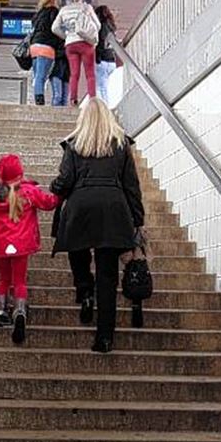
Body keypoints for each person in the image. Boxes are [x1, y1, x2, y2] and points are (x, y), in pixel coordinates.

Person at [50, 98, 144, 353]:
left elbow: (65, 180)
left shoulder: (74, 144)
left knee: (77, 249)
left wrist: (53, 187)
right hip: (113, 210)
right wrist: (137, 220)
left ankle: (84, 290)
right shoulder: (121, 144)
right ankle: (104, 337)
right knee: (108, 274)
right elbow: (131, 186)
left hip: (81, 207)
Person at [0, 154, 60, 344]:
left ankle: (0, 311)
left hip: (1, 244)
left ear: (1, 175)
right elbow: (50, 203)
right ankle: (20, 310)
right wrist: (61, 193)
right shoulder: (30, 192)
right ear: (20, 171)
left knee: (4, 279)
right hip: (21, 245)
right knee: (19, 280)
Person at [51, 0, 100, 105]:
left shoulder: (63, 10)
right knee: (90, 74)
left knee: (74, 73)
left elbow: (54, 28)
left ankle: (73, 99)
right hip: (86, 43)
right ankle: (92, 99)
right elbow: (98, 25)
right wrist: (90, 33)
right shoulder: (87, 7)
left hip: (71, 44)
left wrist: (66, 36)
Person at [29, 0, 64, 106]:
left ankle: (38, 98)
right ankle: (40, 101)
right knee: (41, 76)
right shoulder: (54, 12)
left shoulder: (37, 15)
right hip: (46, 48)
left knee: (37, 76)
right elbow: (56, 29)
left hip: (34, 47)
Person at [94, 5, 118, 100]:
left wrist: (97, 58)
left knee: (101, 87)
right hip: (111, 60)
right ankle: (105, 106)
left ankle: (104, 108)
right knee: (104, 86)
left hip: (102, 60)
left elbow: (101, 42)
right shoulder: (112, 27)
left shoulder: (102, 26)